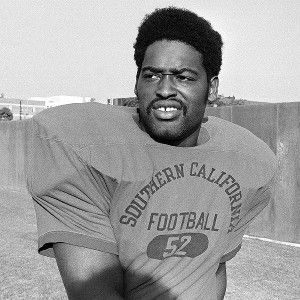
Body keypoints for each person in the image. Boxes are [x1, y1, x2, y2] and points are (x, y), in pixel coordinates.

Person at [26, 7, 277, 300]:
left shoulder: (245, 158)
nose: (165, 89)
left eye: (183, 77)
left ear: (211, 88)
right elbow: (94, 289)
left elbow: (214, 267)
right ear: (136, 82)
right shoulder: (85, 149)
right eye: (152, 75)